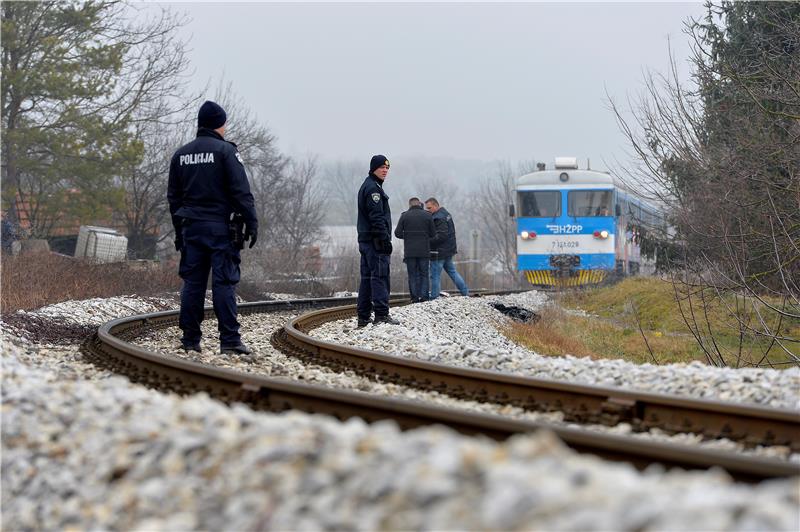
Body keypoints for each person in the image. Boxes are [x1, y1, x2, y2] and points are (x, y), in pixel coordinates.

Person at [167, 100, 258, 355]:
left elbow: (173, 198)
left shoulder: (181, 154)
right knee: (224, 283)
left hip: (191, 229)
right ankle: (229, 341)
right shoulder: (226, 152)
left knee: (193, 284)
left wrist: (178, 231)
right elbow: (241, 192)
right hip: (220, 230)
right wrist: (252, 222)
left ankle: (190, 341)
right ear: (221, 124)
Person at [356, 155, 399, 326]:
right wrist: (384, 239)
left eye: (387, 168)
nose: (385, 170)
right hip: (375, 242)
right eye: (382, 167)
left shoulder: (368, 186)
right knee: (380, 276)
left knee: (367, 278)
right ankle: (381, 314)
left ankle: (364, 317)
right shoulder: (374, 190)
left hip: (366, 241)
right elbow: (376, 217)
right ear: (373, 168)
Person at [394, 197, 436, 302]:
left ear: (410, 205)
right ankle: (424, 297)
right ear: (419, 204)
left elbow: (397, 233)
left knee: (412, 275)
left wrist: (408, 236)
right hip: (424, 251)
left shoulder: (404, 216)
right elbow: (433, 234)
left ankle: (414, 298)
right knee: (424, 274)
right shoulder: (427, 215)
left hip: (410, 251)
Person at [425, 197, 469, 298]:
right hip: (448, 250)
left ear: (436, 205)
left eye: (429, 208)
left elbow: (441, 236)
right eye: (427, 208)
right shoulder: (446, 214)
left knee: (435, 276)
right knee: (452, 272)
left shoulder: (438, 218)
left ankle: (435, 297)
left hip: (439, 252)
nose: (428, 210)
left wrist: (427, 241)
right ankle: (465, 292)